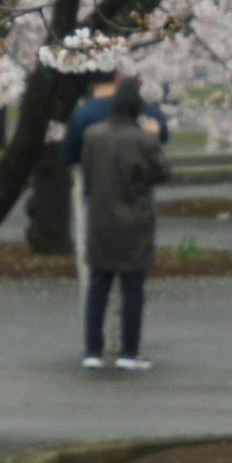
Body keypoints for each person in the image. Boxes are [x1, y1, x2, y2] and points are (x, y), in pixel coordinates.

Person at [78, 70, 169, 371]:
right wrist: (155, 139)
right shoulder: (144, 140)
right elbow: (162, 174)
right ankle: (129, 352)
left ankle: (93, 349)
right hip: (135, 220)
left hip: (100, 217)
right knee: (133, 287)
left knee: (98, 285)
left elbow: (87, 174)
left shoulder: (93, 136)